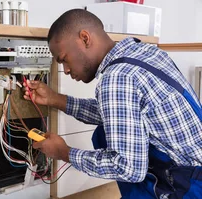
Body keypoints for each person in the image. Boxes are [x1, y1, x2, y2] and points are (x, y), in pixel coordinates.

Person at [27, 9, 202, 198]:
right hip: (192, 169)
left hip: (187, 187)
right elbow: (118, 115)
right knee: (106, 131)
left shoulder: (117, 77)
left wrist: (63, 152)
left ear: (85, 38)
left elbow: (128, 169)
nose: (66, 70)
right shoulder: (142, 51)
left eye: (64, 59)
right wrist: (54, 99)